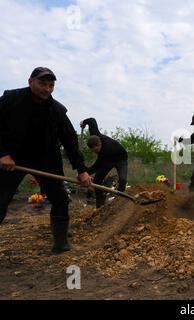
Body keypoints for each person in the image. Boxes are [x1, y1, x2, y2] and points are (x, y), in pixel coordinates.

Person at [0, 67, 91, 253]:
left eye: (51, 85)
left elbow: (70, 142)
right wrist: (2, 154)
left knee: (60, 199)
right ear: (30, 81)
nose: (47, 89)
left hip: (45, 161)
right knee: (0, 200)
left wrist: (81, 170)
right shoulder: (11, 99)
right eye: (42, 83)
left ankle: (61, 244)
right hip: (12, 160)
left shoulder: (57, 110)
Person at [80, 118, 128, 208]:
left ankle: (120, 203)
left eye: (96, 150)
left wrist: (83, 172)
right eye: (93, 151)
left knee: (123, 180)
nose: (95, 152)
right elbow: (92, 121)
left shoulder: (105, 153)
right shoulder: (94, 136)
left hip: (121, 158)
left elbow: (95, 167)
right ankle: (100, 204)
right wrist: (84, 122)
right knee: (97, 180)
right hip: (109, 159)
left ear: (99, 144)